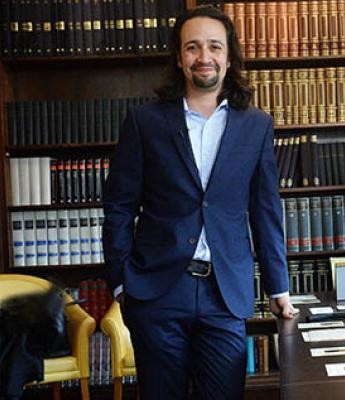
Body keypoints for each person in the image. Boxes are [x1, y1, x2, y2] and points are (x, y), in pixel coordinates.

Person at [102, 6, 297, 399]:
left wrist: (278, 286)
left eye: (214, 47)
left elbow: (266, 209)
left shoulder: (255, 124)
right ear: (179, 57)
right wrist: (121, 281)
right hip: (156, 291)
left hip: (224, 293)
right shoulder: (145, 122)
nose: (203, 57)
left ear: (228, 56)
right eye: (192, 47)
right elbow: (119, 205)